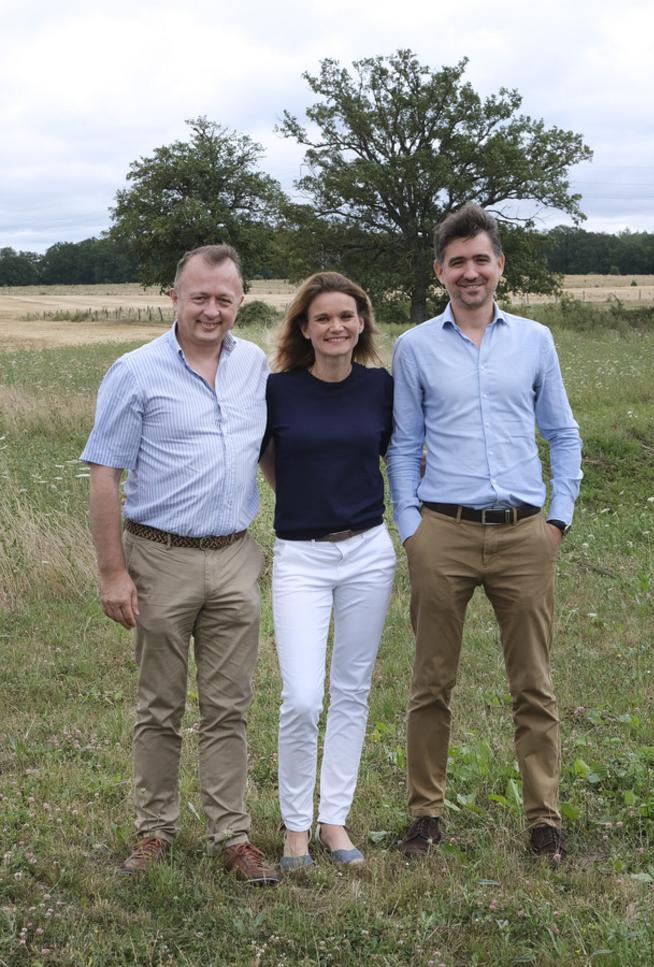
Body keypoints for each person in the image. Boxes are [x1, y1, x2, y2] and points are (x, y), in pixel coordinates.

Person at [387, 203, 582, 863]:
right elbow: (403, 442)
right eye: (457, 261)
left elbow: (561, 432)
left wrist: (558, 518)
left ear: (499, 265)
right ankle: (424, 815)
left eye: (481, 259)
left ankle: (544, 819)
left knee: (533, 682)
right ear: (440, 270)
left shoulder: (534, 339)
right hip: (440, 531)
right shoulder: (414, 347)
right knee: (430, 681)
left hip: (525, 534)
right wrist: (411, 528)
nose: (470, 272)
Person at [81, 243, 278, 884]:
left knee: (229, 706)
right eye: (200, 296)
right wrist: (113, 572)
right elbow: (105, 473)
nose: (211, 310)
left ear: (240, 301)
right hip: (158, 559)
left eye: (224, 298)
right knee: (159, 706)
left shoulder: (253, 366)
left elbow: (267, 453)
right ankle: (155, 831)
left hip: (233, 558)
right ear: (174, 297)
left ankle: (233, 835)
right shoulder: (134, 370)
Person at [261, 271, 396, 870]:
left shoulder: (381, 387)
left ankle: (333, 822)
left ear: (361, 322)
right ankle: (294, 828)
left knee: (351, 691)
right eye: (323, 318)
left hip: (369, 551)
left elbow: (399, 451)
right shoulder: (279, 390)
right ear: (305, 329)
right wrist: (307, 500)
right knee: (300, 696)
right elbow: (269, 461)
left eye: (347, 316)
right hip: (301, 556)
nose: (336, 326)